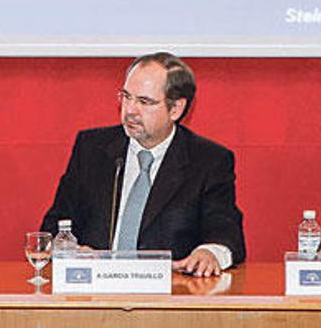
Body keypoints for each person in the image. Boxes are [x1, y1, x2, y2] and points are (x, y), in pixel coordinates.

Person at [40, 52, 245, 276]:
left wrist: (210, 253)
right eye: (126, 97)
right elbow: (54, 227)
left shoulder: (208, 161)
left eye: (145, 102)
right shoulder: (92, 149)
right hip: (95, 291)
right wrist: (72, 250)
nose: (130, 111)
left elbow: (227, 234)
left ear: (175, 109)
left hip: (169, 295)